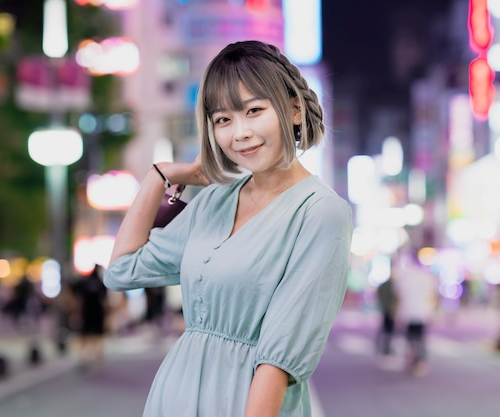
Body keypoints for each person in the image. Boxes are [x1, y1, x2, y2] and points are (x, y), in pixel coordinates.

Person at [103, 40, 353, 417]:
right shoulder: (213, 201)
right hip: (174, 398)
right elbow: (121, 270)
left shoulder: (320, 213)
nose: (240, 133)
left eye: (254, 111)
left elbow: (279, 360)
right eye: (223, 119)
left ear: (294, 109)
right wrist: (160, 177)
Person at [392, 249, 437, 377]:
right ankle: (420, 362)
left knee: (410, 337)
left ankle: (412, 359)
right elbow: (431, 296)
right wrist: (432, 312)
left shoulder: (405, 277)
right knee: (421, 338)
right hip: (422, 312)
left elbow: (399, 296)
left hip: (408, 311)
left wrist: (397, 313)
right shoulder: (426, 277)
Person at [71, 266, 109, 371]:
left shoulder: (84, 282)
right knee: (98, 337)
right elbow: (105, 301)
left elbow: (78, 298)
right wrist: (106, 316)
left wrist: (77, 313)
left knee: (84, 336)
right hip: (97, 313)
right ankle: (97, 360)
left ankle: (82, 358)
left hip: (86, 312)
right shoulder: (101, 283)